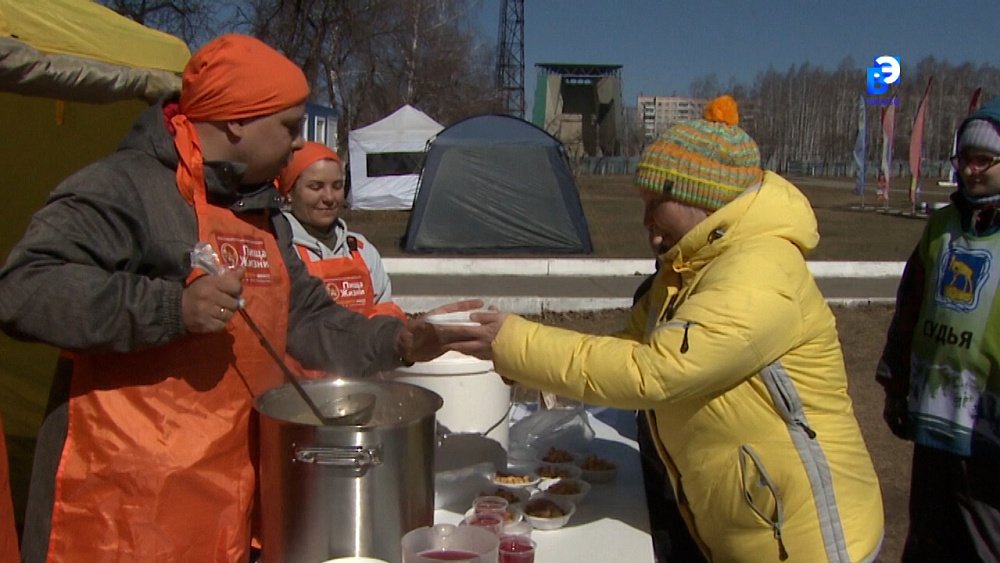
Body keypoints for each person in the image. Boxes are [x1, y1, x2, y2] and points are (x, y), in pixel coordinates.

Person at [0, 34, 476, 562]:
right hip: (127, 504)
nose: (297, 145)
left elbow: (307, 317)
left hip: (230, 492)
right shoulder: (124, 188)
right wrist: (171, 308)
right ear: (236, 122)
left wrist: (399, 340)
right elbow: (24, 287)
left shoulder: (261, 214)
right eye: (289, 127)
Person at [454, 95, 885, 562]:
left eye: (656, 203)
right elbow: (627, 347)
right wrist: (519, 360)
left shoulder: (761, 272)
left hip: (809, 542)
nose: (647, 224)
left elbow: (654, 372)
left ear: (703, 197)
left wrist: (513, 342)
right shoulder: (687, 268)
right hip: (749, 528)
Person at [876, 96, 1000, 563]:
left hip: (990, 427)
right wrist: (895, 384)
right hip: (935, 411)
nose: (970, 170)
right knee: (929, 537)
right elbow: (909, 306)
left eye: (983, 160)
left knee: (984, 542)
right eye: (963, 158)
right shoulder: (942, 225)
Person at [277, 141, 405, 321]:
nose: (329, 197)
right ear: (289, 193)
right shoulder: (279, 249)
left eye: (337, 186)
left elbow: (384, 312)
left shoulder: (360, 248)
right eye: (316, 187)